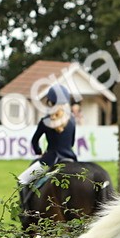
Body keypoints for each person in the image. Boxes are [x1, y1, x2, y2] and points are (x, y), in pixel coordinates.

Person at [17, 84, 78, 212]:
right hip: (71, 160)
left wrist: (39, 152)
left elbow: (35, 141)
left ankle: (26, 212)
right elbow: (71, 142)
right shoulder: (72, 120)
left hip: (51, 160)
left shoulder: (45, 121)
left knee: (22, 180)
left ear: (50, 102)